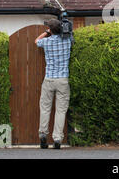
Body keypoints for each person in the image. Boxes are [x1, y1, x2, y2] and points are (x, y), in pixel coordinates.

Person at [35, 18, 72, 149]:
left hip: (49, 79)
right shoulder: (67, 41)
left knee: (45, 109)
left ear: (50, 30)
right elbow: (71, 36)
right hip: (62, 80)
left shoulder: (46, 42)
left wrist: (47, 32)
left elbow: (36, 41)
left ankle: (43, 136)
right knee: (60, 111)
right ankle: (57, 139)